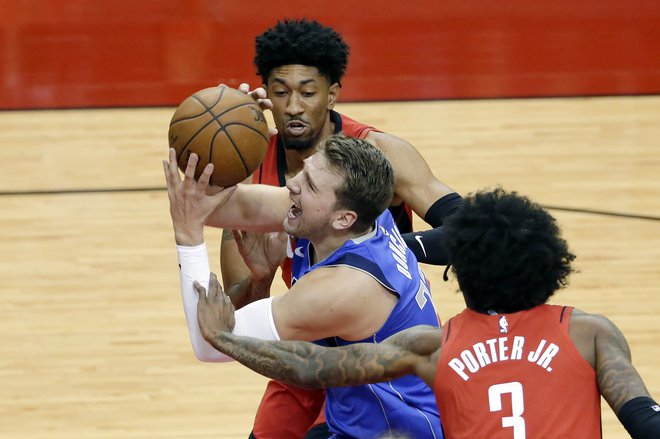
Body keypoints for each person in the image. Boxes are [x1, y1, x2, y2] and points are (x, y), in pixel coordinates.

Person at [195, 188, 660, 439]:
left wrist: (224, 336)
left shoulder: (434, 345)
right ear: (549, 266)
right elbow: (645, 421)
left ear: (462, 272)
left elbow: (310, 366)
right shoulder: (589, 333)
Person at [219, 18, 462, 438]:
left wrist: (381, 255)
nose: (293, 106)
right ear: (265, 97)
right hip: (306, 337)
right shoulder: (253, 174)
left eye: (308, 92)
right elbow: (241, 323)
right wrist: (222, 136)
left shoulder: (379, 154)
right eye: (280, 92)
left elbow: (467, 230)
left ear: (331, 94)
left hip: (370, 344)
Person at [164, 135, 444, 438]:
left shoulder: (343, 288)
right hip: (354, 411)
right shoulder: (357, 215)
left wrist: (188, 235)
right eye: (304, 171)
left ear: (343, 219)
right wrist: (229, 142)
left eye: (309, 184)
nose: (293, 184)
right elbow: (226, 207)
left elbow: (210, 344)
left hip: (398, 431)